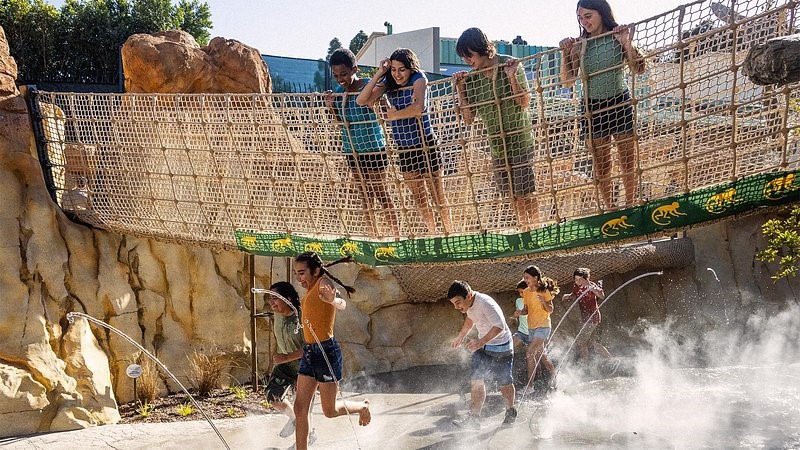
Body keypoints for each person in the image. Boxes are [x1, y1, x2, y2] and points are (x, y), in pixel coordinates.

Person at [559, 0, 646, 210]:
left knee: (627, 158)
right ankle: (610, 208)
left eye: (588, 16)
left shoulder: (617, 35)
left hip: (619, 101)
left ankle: (631, 203)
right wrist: (565, 52)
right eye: (580, 18)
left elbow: (639, 68)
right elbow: (567, 81)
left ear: (602, 13)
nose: (584, 21)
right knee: (602, 163)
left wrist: (626, 42)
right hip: (592, 107)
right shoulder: (580, 44)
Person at [357, 48, 451, 234]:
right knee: (420, 199)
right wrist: (380, 73)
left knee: (437, 195)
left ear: (410, 68)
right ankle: (433, 234)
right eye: (393, 69)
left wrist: (395, 116)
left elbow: (418, 107)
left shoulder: (419, 78)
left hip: (425, 143)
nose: (397, 74)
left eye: (402, 69)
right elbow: (362, 100)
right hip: (404, 149)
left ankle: (450, 232)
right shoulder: (389, 82)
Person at [453, 28, 539, 230]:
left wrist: (511, 77)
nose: (467, 61)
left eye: (469, 55)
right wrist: (461, 89)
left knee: (526, 193)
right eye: (463, 57)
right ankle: (524, 230)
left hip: (520, 141)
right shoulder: (472, 78)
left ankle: (537, 229)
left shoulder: (509, 63)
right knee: (512, 196)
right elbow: (467, 119)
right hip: (498, 146)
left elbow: (525, 101)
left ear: (481, 49)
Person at [292, 252, 370, 450]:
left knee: (330, 411)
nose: (298, 277)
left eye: (302, 273)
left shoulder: (323, 283)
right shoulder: (310, 288)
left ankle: (362, 407)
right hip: (310, 353)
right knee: (300, 408)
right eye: (296, 273)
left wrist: (332, 300)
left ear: (315, 271)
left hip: (326, 353)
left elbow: (341, 303)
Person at [324, 49, 400, 239]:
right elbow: (341, 124)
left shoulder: (367, 86)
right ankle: (372, 235)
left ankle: (396, 234)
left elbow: (384, 108)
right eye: (336, 75)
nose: (340, 79)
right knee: (365, 197)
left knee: (380, 193)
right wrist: (330, 106)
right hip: (353, 151)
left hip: (373, 148)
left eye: (344, 74)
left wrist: (385, 108)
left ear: (354, 69)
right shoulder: (340, 94)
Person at [448, 280, 517, 429]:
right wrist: (461, 336)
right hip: (484, 348)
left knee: (504, 382)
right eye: (454, 303)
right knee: (476, 379)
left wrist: (480, 342)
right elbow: (470, 319)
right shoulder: (470, 306)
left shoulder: (486, 303)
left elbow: (499, 326)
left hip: (501, 348)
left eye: (458, 302)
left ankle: (510, 410)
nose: (456, 307)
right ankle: (474, 419)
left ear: (469, 296)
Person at [263, 281, 316, 445]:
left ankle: (304, 440)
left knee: (303, 409)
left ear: (288, 298)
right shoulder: (277, 314)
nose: (271, 302)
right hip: (284, 367)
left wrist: (285, 357)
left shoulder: (302, 318)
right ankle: (294, 420)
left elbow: (311, 347)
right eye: (270, 298)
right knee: (273, 397)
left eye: (276, 298)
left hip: (306, 368)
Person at [514, 265, 559, 390]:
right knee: (541, 356)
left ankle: (530, 386)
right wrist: (520, 312)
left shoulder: (544, 291)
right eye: (524, 278)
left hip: (543, 326)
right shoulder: (527, 292)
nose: (526, 280)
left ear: (535, 277)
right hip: (532, 328)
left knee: (530, 353)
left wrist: (544, 302)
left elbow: (550, 309)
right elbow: (526, 310)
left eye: (527, 277)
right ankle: (555, 379)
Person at [562, 267, 611, 362]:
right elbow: (574, 294)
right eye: (576, 279)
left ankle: (584, 362)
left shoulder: (591, 286)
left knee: (581, 341)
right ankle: (611, 359)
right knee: (591, 343)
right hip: (585, 318)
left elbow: (601, 295)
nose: (577, 281)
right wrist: (568, 296)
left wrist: (589, 285)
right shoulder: (576, 286)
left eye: (580, 279)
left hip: (593, 318)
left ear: (586, 279)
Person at [510, 279, 531, 386]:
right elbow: (518, 315)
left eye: (522, 291)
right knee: (509, 347)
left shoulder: (532, 299)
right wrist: (514, 318)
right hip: (521, 331)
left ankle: (547, 376)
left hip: (533, 333)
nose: (520, 294)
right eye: (519, 292)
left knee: (538, 357)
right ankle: (510, 376)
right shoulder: (518, 301)